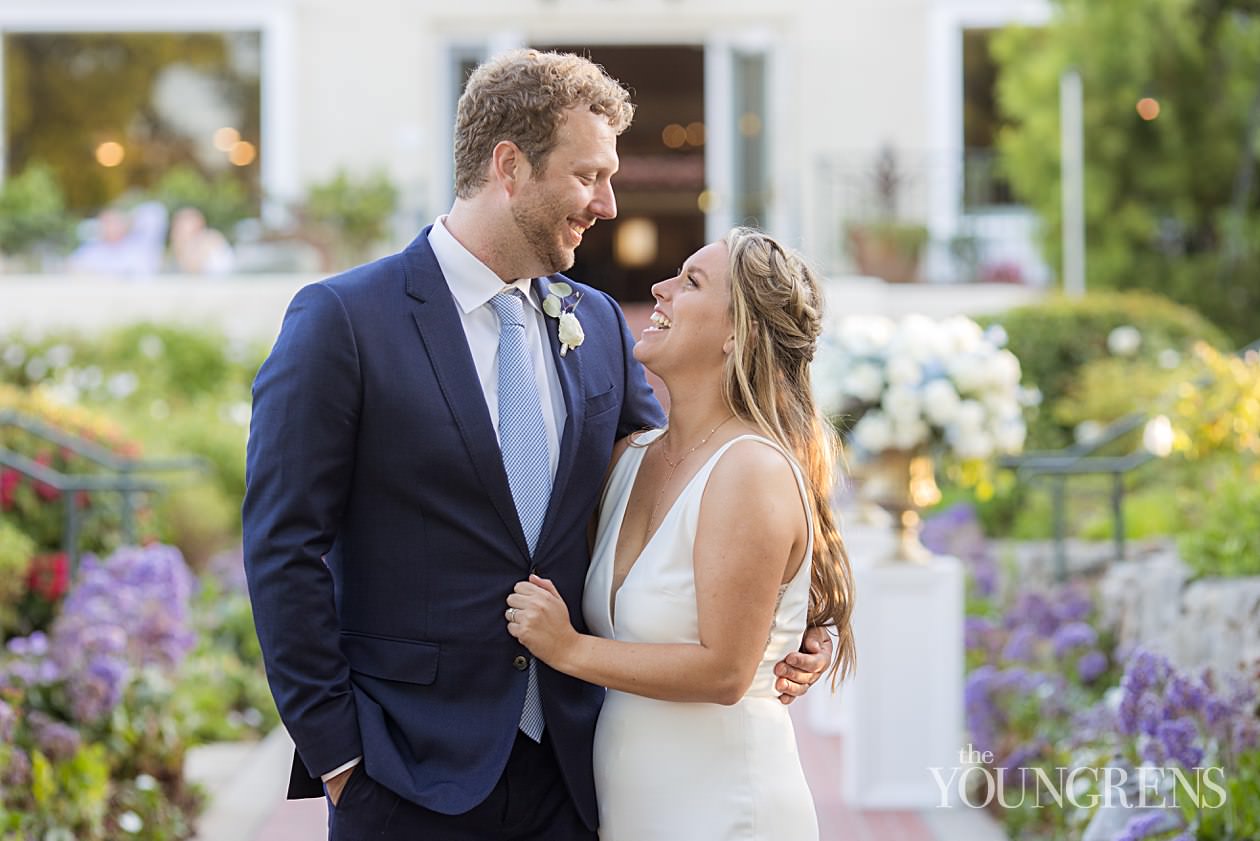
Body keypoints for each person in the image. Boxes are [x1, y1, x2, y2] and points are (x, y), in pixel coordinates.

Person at [242, 49, 831, 841]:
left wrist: (796, 626)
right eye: (590, 175)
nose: (609, 204)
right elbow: (283, 548)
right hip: (404, 773)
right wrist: (340, 756)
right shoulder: (343, 321)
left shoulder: (594, 328)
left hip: (578, 775)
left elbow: (677, 486)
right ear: (510, 166)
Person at [506, 228, 857, 840]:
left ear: (735, 333)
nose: (659, 289)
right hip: (632, 806)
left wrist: (567, 649)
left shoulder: (751, 469)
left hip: (725, 805)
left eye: (690, 281)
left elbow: (724, 672)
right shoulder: (628, 459)